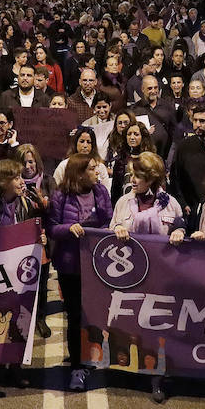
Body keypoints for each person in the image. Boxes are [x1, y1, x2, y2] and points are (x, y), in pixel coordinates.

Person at [47, 153, 115, 391]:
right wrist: (69, 228)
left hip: (96, 265)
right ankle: (76, 366)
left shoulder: (102, 193)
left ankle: (95, 355)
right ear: (79, 172)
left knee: (95, 313)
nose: (98, 173)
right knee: (74, 316)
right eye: (93, 169)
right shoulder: (60, 197)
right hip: (70, 266)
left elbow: (109, 221)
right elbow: (53, 228)